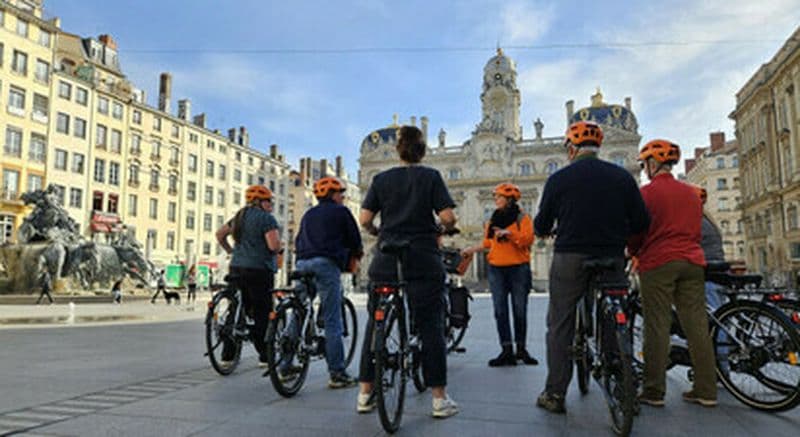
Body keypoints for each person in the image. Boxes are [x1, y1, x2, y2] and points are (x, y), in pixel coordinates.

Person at [533, 121, 650, 414]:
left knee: (560, 323)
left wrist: (549, 228)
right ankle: (621, 381)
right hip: (611, 256)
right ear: (598, 148)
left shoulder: (559, 179)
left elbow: (541, 223)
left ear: (571, 149)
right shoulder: (622, 177)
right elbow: (642, 223)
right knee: (615, 314)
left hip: (570, 256)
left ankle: (555, 393)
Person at [357, 125, 459, 418]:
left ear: (398, 150)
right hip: (422, 256)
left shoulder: (381, 179)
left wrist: (378, 231)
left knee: (374, 327)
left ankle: (365, 393)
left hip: (387, 257)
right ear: (422, 151)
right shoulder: (430, 176)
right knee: (431, 325)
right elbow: (448, 216)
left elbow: (364, 218)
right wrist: (445, 228)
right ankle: (439, 399)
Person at [628, 139, 717, 408]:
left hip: (659, 262)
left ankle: (654, 391)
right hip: (692, 261)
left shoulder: (646, 193)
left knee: (657, 326)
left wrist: (633, 251)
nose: (644, 170)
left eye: (645, 165)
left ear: (653, 164)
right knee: (697, 326)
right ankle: (706, 390)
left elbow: (637, 231)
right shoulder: (692, 194)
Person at [294, 176, 363, 388]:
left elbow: (298, 240)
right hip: (326, 264)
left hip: (302, 263)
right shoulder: (342, 212)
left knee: (298, 312)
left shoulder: (308, 214)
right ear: (334, 195)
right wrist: (355, 257)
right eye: (341, 194)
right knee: (333, 319)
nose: (343, 197)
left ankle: (286, 363)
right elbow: (355, 240)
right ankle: (337, 373)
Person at [462, 182, 538, 367]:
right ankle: (506, 350)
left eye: (498, 197)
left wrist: (510, 235)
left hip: (519, 268)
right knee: (500, 311)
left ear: (509, 199)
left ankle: (521, 349)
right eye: (495, 197)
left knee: (519, 310)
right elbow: (489, 243)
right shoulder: (492, 220)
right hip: (496, 269)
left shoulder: (522, 218)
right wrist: (471, 249)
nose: (495, 200)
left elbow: (528, 240)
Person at [216, 185, 281, 367]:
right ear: (261, 202)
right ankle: (265, 356)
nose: (271, 205)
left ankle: (227, 356)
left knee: (235, 308)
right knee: (262, 312)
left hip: (236, 267)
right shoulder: (266, 219)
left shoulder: (239, 217)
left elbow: (220, 234)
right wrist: (279, 247)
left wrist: (231, 251)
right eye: (269, 201)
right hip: (259, 270)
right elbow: (272, 246)